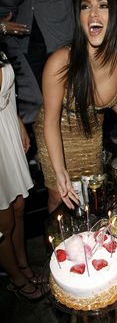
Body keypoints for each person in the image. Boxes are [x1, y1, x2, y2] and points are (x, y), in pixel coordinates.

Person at [34, 0, 117, 213]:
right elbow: (50, 121)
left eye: (103, 6)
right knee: (59, 196)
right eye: (85, 7)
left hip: (91, 134)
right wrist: (59, 171)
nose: (92, 13)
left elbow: (107, 94)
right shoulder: (61, 62)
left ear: (116, 14)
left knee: (91, 192)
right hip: (57, 134)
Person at [4, 0, 86, 125]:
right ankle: (42, 148)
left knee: (69, 106)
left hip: (60, 39)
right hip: (24, 41)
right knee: (36, 110)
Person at [0, 51, 42, 300]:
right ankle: (16, 279)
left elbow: (8, 93)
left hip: (7, 132)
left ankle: (23, 266)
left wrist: (18, 124)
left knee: (18, 206)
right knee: (3, 223)